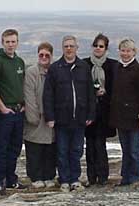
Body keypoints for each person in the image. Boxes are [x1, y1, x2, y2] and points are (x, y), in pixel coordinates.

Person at [43, 35, 95, 192]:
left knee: (77, 150)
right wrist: (50, 117)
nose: (69, 49)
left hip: (79, 118)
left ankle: (75, 179)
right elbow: (48, 95)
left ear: (77, 48)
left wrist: (91, 114)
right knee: (62, 150)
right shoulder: (55, 68)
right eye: (66, 46)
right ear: (62, 48)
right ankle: (64, 179)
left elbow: (90, 93)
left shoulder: (84, 67)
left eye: (72, 46)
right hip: (61, 119)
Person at [110, 38, 139, 186]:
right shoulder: (116, 68)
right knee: (125, 150)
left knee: (134, 150)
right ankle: (125, 177)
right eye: (123, 50)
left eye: (128, 51)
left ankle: (134, 179)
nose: (125, 54)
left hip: (135, 118)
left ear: (134, 52)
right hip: (120, 117)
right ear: (119, 51)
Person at [0, 29, 26, 195]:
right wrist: (2, 108)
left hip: (19, 112)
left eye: (13, 41)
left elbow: (21, 84)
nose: (11, 45)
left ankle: (11, 179)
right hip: (4, 113)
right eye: (8, 42)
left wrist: (24, 104)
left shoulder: (20, 62)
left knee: (15, 148)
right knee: (1, 148)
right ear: (2, 42)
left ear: (17, 42)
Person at [83, 33, 117, 186]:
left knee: (100, 145)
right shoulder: (84, 65)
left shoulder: (113, 65)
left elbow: (117, 89)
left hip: (105, 111)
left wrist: (105, 92)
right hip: (88, 111)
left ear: (106, 49)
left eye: (101, 46)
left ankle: (103, 176)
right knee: (89, 145)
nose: (98, 48)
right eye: (96, 45)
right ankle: (91, 177)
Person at [24, 42, 56, 189]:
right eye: (41, 55)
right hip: (36, 118)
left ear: (51, 56)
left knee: (50, 150)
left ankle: (49, 175)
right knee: (35, 149)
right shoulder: (31, 72)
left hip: (52, 118)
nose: (44, 57)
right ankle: (36, 176)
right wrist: (33, 117)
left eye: (47, 55)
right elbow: (29, 96)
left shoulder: (54, 71)